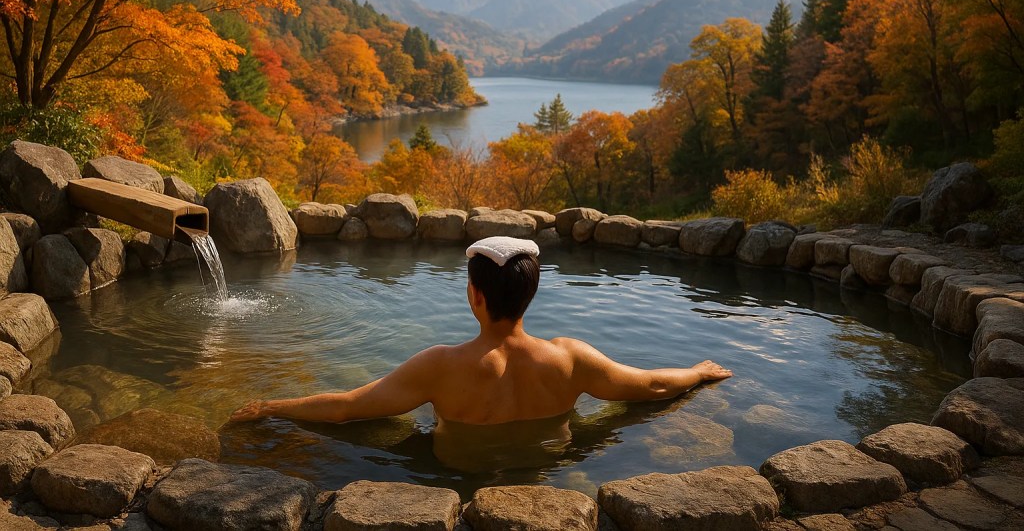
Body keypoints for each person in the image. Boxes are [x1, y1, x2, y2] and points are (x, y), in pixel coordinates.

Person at [228, 236, 732, 426]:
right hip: (543, 478)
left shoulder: (440, 366)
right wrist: (697, 371)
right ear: (531, 295)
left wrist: (272, 407)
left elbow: (347, 408)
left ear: (475, 295)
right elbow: (652, 386)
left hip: (458, 487)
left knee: (390, 425)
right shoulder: (570, 359)